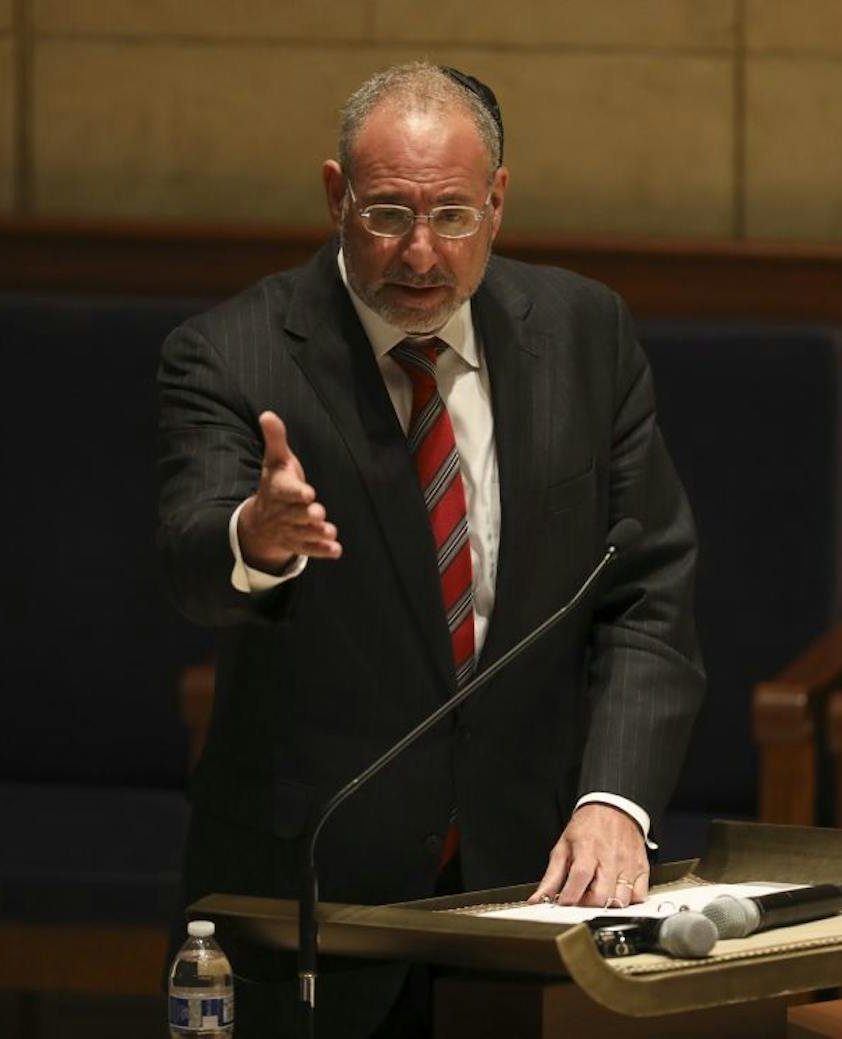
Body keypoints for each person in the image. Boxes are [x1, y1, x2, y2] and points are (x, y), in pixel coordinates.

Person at [158, 61, 704, 1037]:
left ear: (496, 202)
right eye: (385, 216)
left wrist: (615, 797)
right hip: (312, 895)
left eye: (451, 216)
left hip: (529, 883)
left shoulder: (583, 332)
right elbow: (194, 557)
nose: (419, 252)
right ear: (335, 196)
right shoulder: (233, 352)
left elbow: (646, 588)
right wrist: (256, 535)